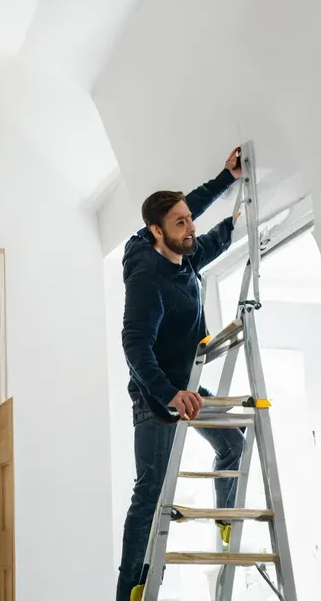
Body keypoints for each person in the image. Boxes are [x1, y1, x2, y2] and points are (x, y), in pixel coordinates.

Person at [116, 148, 244, 601]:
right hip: (155, 397)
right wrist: (169, 395)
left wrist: (228, 181)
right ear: (156, 232)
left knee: (233, 444)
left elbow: (205, 235)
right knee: (149, 493)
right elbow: (134, 346)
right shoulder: (147, 276)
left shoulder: (181, 252)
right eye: (180, 224)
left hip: (185, 382)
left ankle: (227, 522)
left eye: (189, 220)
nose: (190, 229)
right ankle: (132, 587)